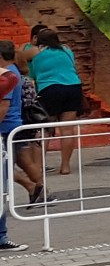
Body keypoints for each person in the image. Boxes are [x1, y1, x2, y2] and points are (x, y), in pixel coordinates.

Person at [28, 28, 82, 175]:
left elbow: (19, 57)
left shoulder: (36, 51)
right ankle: (65, 166)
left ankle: (38, 167)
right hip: (73, 87)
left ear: (38, 39)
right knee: (67, 129)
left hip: (50, 88)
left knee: (44, 129)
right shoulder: (66, 49)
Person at [0, 43, 29, 250]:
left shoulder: (7, 75)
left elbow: (4, 105)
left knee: (3, 180)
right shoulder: (12, 72)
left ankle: (1, 236)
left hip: (6, 129)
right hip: (10, 127)